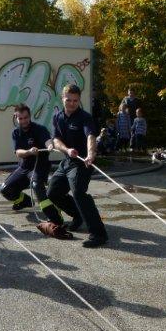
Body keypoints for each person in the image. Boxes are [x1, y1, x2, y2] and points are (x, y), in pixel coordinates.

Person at [47, 84, 108, 248]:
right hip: (67, 161)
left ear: (79, 100)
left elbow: (90, 136)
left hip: (82, 162)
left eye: (75, 100)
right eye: (69, 100)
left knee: (79, 192)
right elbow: (56, 140)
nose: (72, 103)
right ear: (62, 99)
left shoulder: (85, 117)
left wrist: (90, 154)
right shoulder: (57, 117)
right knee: (52, 192)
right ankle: (78, 215)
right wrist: (67, 150)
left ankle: (99, 234)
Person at [0, 104, 64, 226]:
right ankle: (25, 201)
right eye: (20, 118)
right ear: (16, 118)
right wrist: (29, 152)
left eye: (26, 117)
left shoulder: (40, 129)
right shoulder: (16, 133)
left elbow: (47, 140)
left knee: (37, 186)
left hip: (40, 166)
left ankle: (55, 217)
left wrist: (50, 145)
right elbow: (18, 152)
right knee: (5, 190)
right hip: (24, 167)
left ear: (30, 116)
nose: (24, 121)